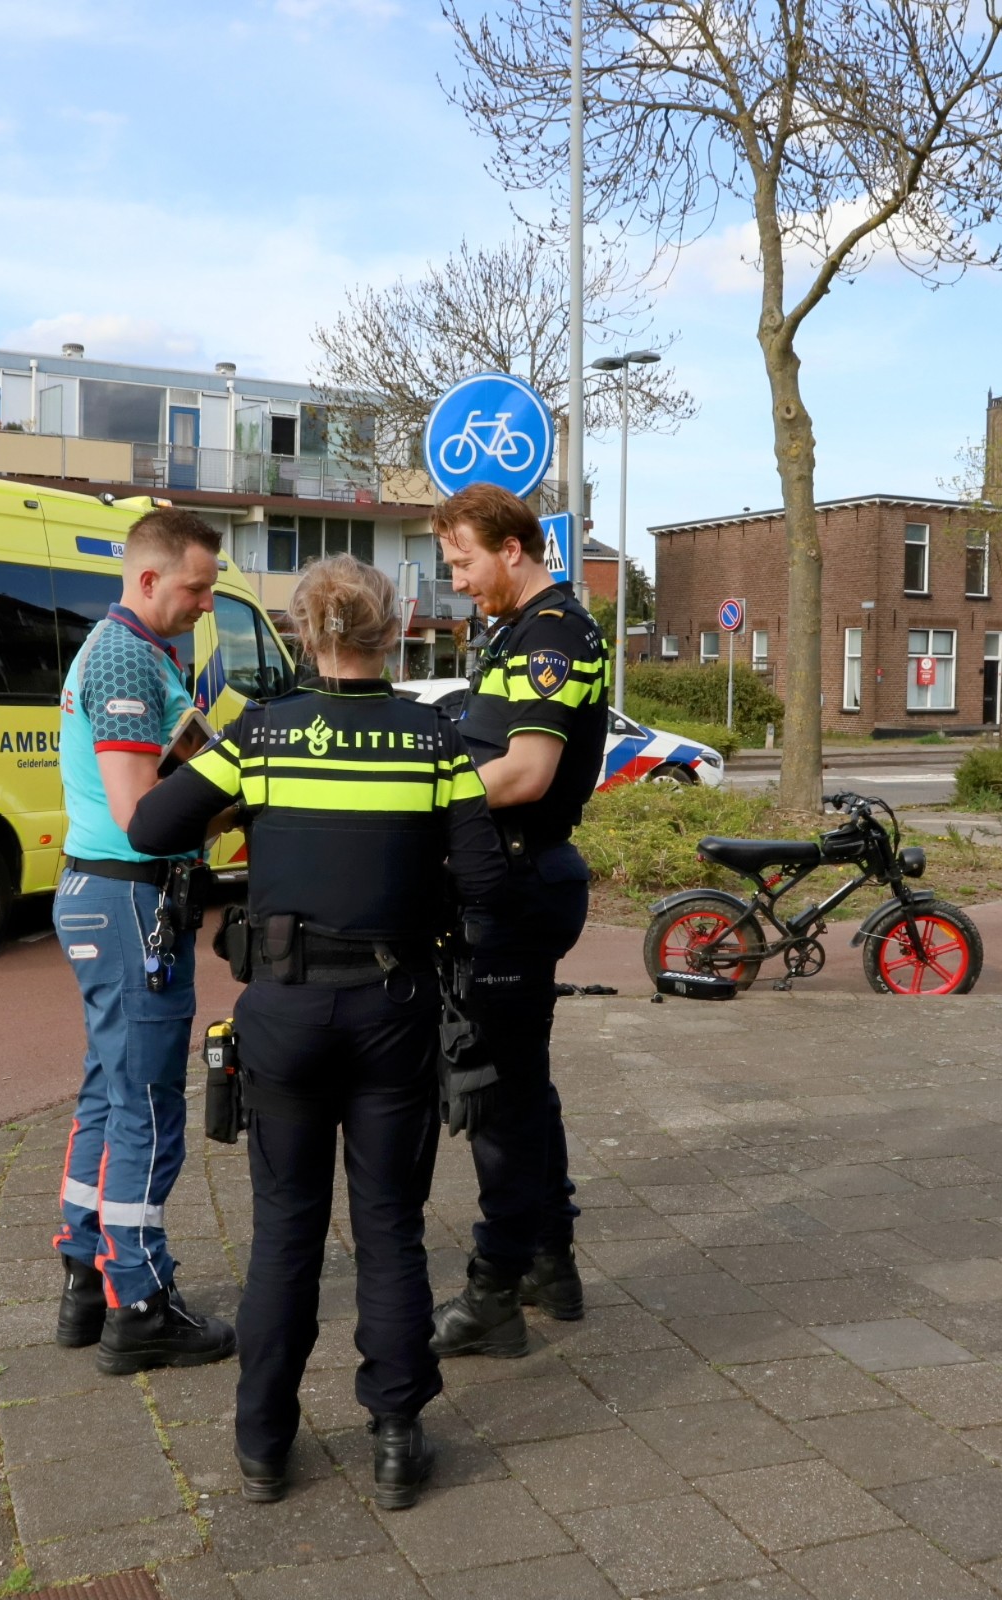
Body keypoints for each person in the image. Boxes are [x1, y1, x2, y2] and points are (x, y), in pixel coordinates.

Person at [128, 555, 507, 1509]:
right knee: (389, 1228)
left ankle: (263, 1445)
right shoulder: (435, 742)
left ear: (303, 632)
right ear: (397, 628)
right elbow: (485, 882)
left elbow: (151, 826)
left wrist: (229, 788)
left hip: (285, 1013)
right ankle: (396, 1437)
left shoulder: (261, 735)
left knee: (285, 1232)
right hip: (394, 1011)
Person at [423, 484, 611, 1360]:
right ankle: (548, 1262)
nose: (458, 580)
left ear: (512, 548)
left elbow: (527, 771)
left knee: (496, 1090)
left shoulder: (551, 637)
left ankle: (495, 1288)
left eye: (464, 561)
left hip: (518, 882)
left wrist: (417, 796)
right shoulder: (516, 632)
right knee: (523, 1082)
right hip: (514, 877)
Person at [52, 507, 236, 1373]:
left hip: (104, 896)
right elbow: (142, 817)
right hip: (132, 900)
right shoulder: (128, 656)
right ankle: (140, 1302)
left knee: (109, 1090)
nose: (207, 603)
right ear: (150, 577)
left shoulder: (135, 649)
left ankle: (86, 1277)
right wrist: (230, 791)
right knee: (149, 1107)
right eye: (197, 587)